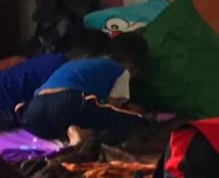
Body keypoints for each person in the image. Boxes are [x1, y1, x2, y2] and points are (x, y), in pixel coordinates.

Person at [19, 31, 149, 144]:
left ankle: (71, 131)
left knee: (67, 117)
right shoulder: (121, 71)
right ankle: (81, 133)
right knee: (133, 123)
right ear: (132, 66)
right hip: (68, 102)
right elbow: (113, 107)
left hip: (34, 112)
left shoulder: (80, 62)